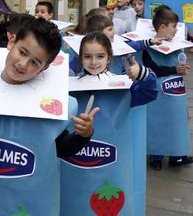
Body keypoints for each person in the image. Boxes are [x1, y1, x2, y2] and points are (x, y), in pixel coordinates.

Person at [0, 18, 99, 215]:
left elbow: (60, 149)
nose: (23, 64)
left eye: (35, 62)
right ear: (11, 42)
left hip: (20, 200)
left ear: (45, 68)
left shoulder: (54, 105)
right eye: (22, 52)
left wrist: (83, 135)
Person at [60, 32, 157, 216]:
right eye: (87, 56)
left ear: (109, 57)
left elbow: (150, 92)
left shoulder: (122, 86)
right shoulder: (68, 87)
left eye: (100, 56)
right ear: (80, 58)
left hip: (111, 171)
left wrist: (142, 74)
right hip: (73, 169)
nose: (93, 62)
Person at [142, 6, 193, 171]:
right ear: (162, 27)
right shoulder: (148, 46)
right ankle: (156, 156)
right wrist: (174, 70)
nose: (176, 29)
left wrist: (182, 68)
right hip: (158, 93)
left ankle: (176, 155)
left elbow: (178, 62)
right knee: (157, 123)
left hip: (175, 92)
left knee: (176, 123)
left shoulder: (177, 44)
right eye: (173, 26)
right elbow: (152, 68)